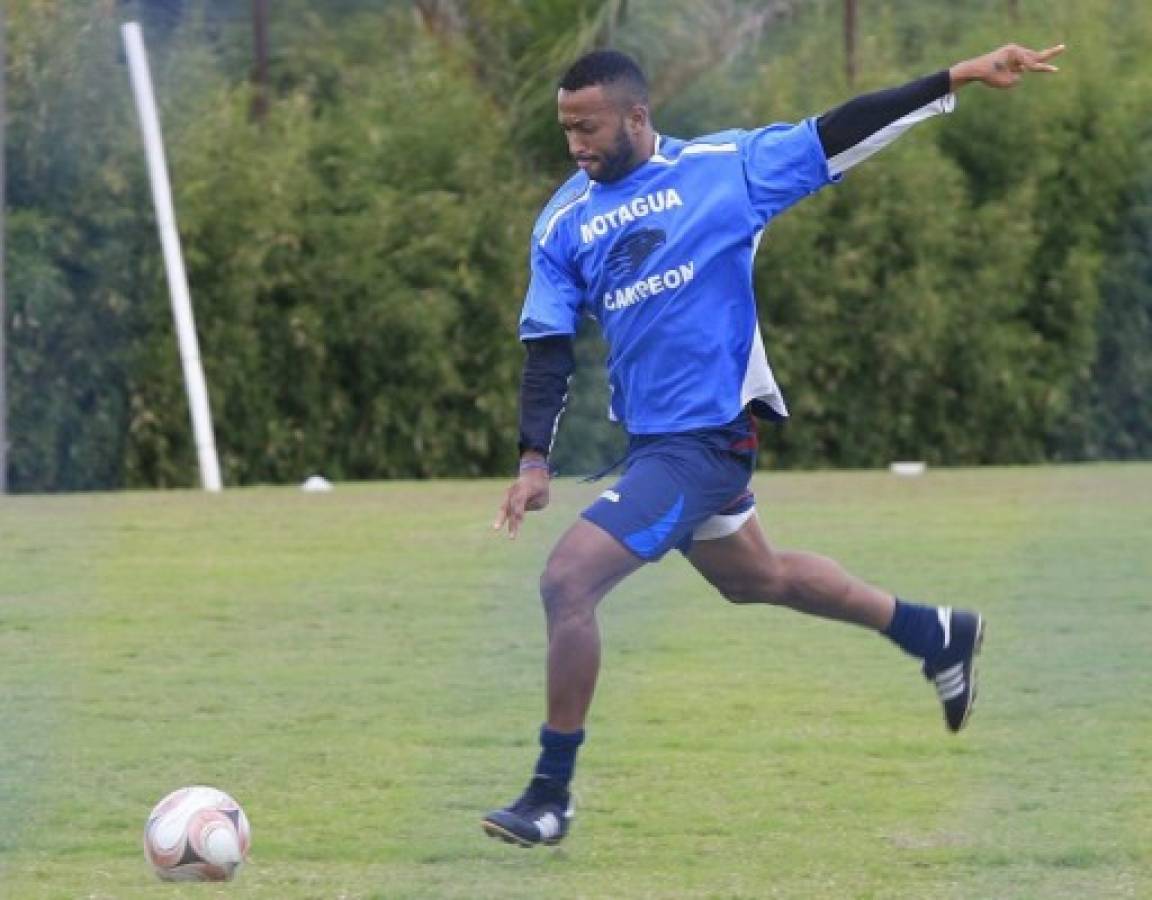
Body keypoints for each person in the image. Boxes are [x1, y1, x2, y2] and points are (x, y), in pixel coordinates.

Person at [481, 42, 1064, 848]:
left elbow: (838, 132)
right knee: (761, 577)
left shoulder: (725, 168)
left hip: (709, 437)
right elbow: (547, 345)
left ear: (637, 116)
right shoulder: (563, 219)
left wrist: (954, 79)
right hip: (658, 444)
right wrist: (533, 461)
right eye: (566, 130)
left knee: (568, 581)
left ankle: (550, 795)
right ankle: (935, 634)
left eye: (589, 127)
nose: (576, 145)